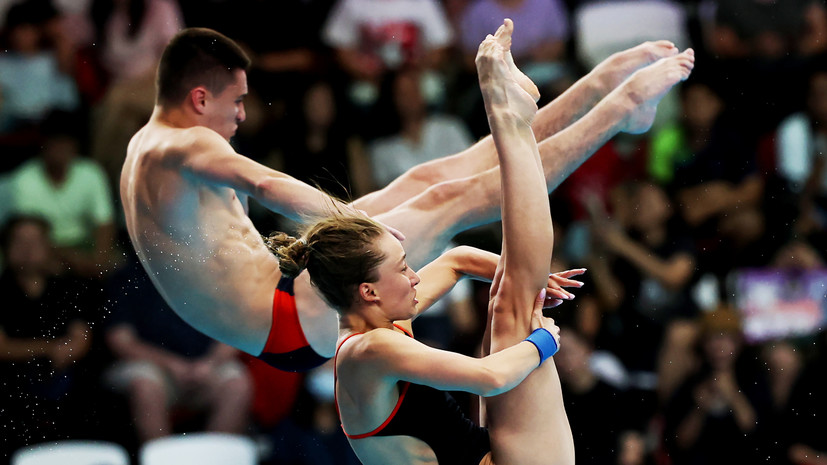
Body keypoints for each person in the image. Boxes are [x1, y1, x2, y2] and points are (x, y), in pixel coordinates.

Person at [120, 25, 694, 372]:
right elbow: (269, 186)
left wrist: (351, 227)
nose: (242, 116)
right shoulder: (184, 145)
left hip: (281, 291)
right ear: (199, 98)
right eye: (236, 102)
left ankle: (597, 89)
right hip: (289, 318)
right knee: (454, 198)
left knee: (429, 180)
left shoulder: (142, 149)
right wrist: (358, 228)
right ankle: (620, 112)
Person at [266, 21, 694, 465]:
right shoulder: (372, 350)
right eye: (402, 269)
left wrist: (533, 280)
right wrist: (546, 340)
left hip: (489, 451)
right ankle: (517, 115)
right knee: (515, 304)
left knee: (512, 291)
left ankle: (564, 112)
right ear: (368, 291)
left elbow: (455, 260)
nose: (415, 277)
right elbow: (489, 378)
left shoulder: (376, 323)